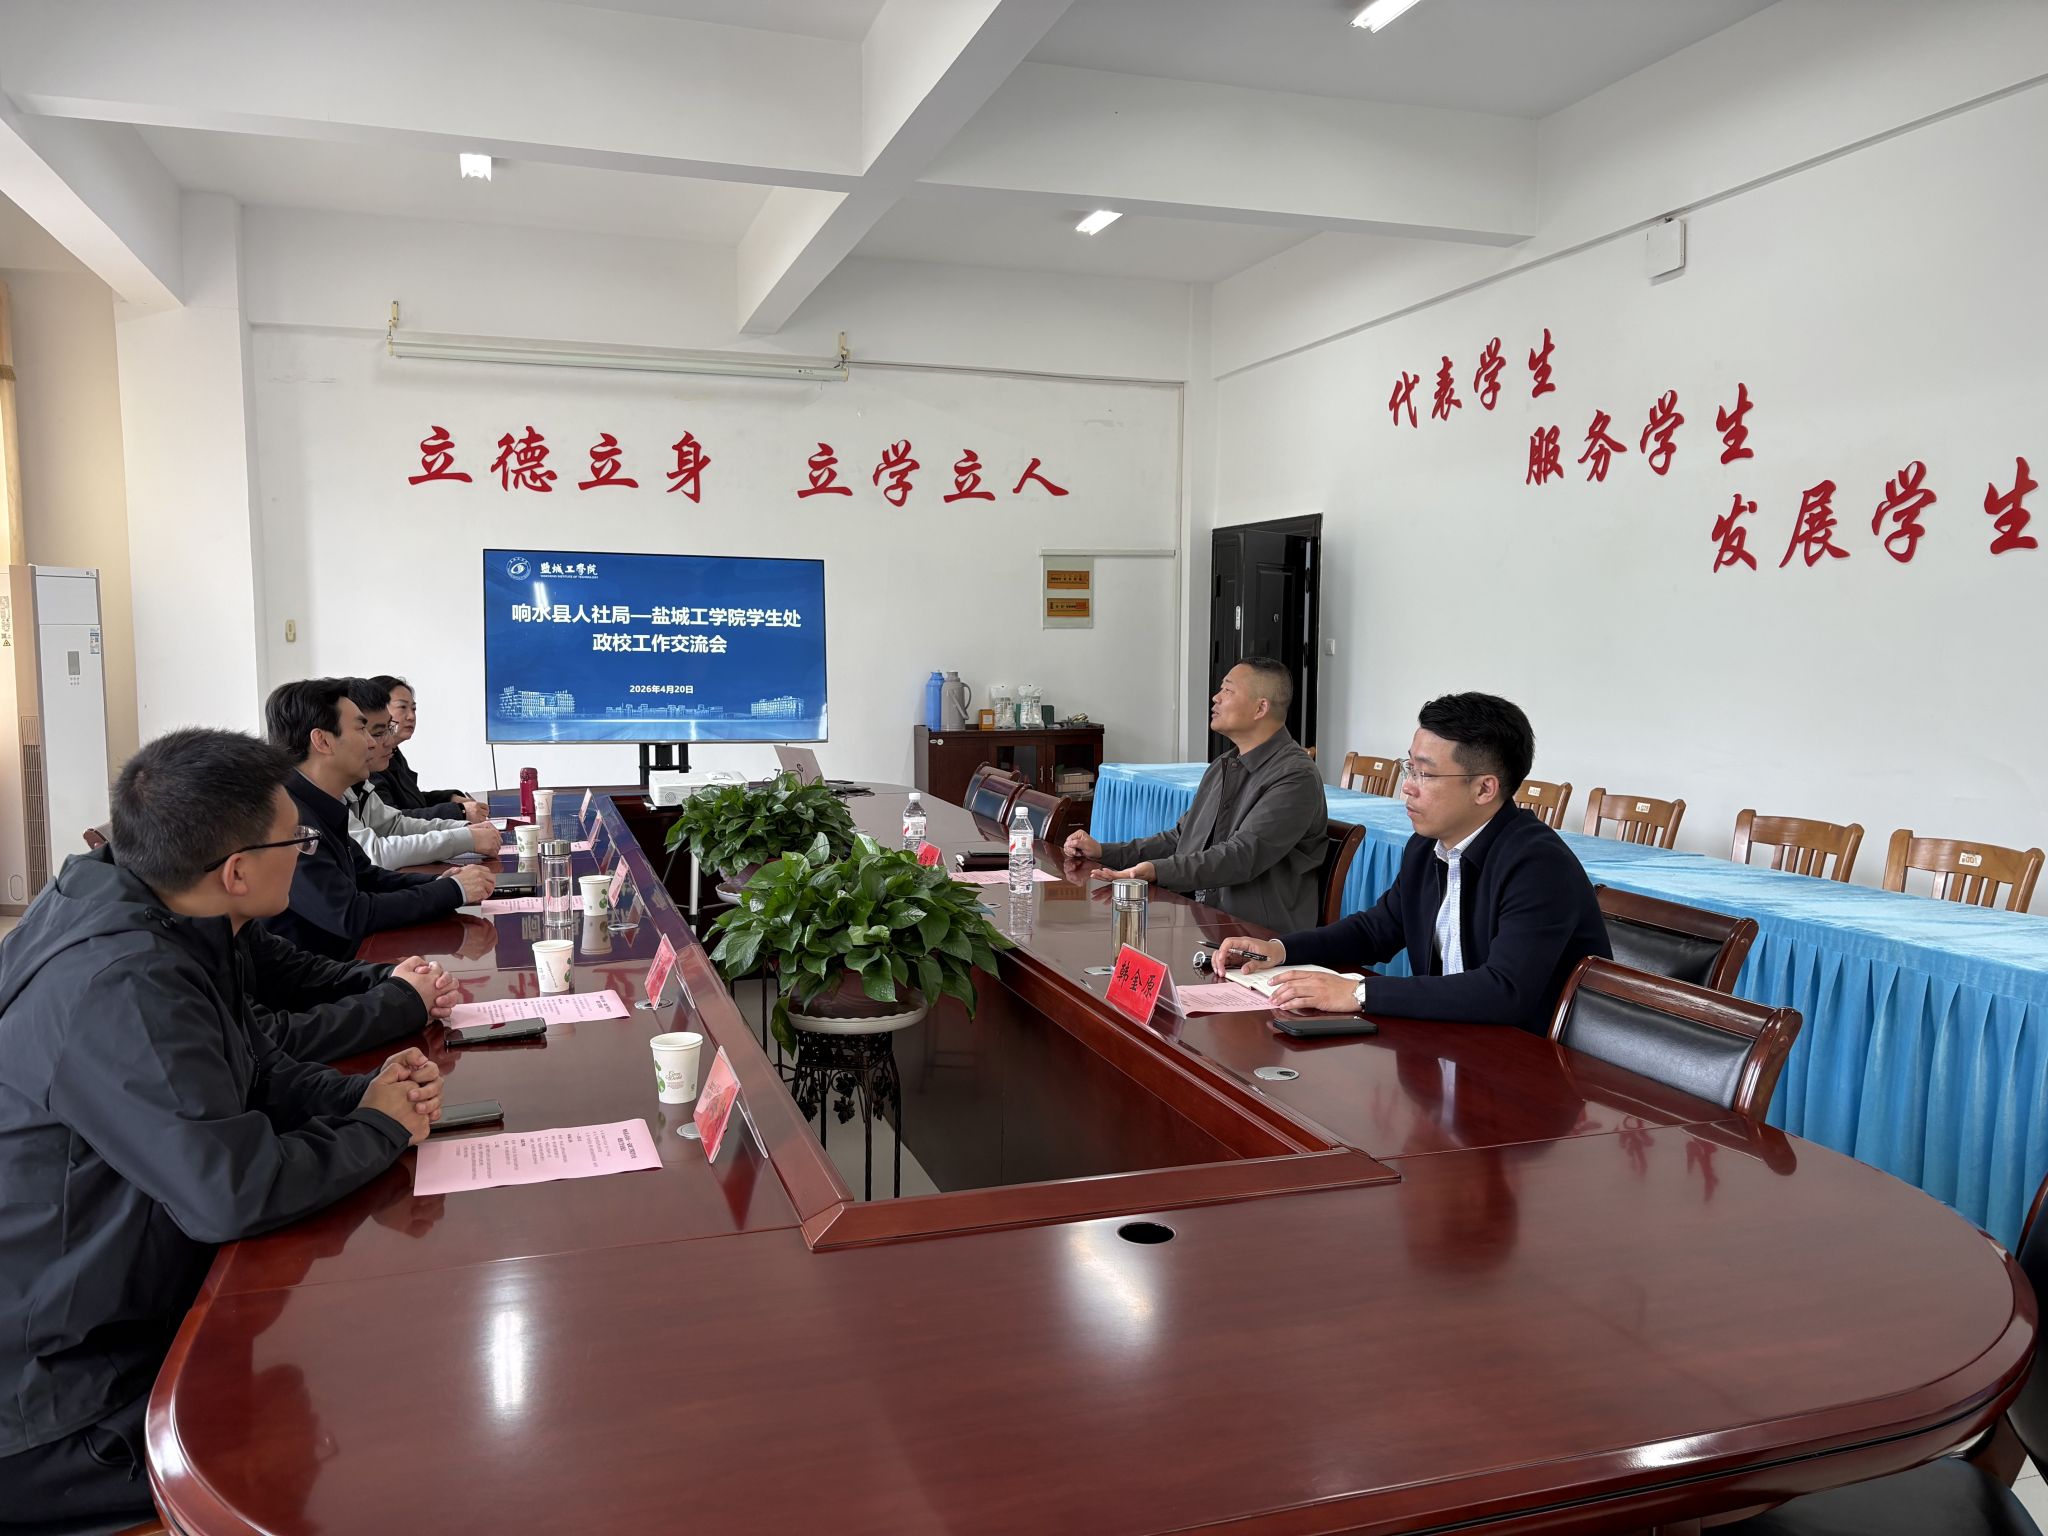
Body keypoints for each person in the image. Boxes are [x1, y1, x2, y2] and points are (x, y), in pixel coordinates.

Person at [0, 728, 444, 1525]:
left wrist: (361, 1098)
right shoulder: (122, 981)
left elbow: (255, 1067)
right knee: (372, 1438)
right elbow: (231, 1193)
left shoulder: (173, 911)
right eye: (297, 842)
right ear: (237, 870)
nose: (306, 855)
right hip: (60, 1398)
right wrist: (378, 1132)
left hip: (123, 1299)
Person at [1215, 692, 1610, 1031]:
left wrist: (1359, 992)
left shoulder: (1538, 865)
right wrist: (1280, 949)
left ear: (1484, 789)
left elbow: (1504, 991)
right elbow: (1376, 931)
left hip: (1527, 1061)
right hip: (1452, 1041)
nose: (1407, 786)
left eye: (1425, 774)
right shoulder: (1426, 847)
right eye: (1410, 768)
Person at [1062, 658, 1327, 931]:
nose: (1216, 698)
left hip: (1256, 933)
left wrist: (1156, 870)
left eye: (1228, 690)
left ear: (1261, 708)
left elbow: (1242, 856)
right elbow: (1181, 838)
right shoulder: (1224, 765)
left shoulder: (1295, 776)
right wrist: (1104, 851)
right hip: (1207, 919)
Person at [262, 678, 494, 959]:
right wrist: (452, 890)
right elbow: (351, 914)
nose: (372, 743)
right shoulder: (288, 817)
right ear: (322, 741)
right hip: (318, 973)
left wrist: (439, 883)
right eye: (362, 729)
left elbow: (366, 875)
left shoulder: (322, 802)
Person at [343, 677, 500, 869]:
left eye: (413, 708)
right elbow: (375, 854)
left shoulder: (360, 785)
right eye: (377, 733)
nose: (389, 741)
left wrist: (465, 829)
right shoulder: (324, 796)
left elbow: (395, 825)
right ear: (323, 740)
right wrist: (464, 836)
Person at [370, 675, 486, 823]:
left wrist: (450, 798)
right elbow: (392, 822)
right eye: (402, 707)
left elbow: (413, 800)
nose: (411, 716)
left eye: (413, 709)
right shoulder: (371, 762)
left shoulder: (394, 753)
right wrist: (459, 811)